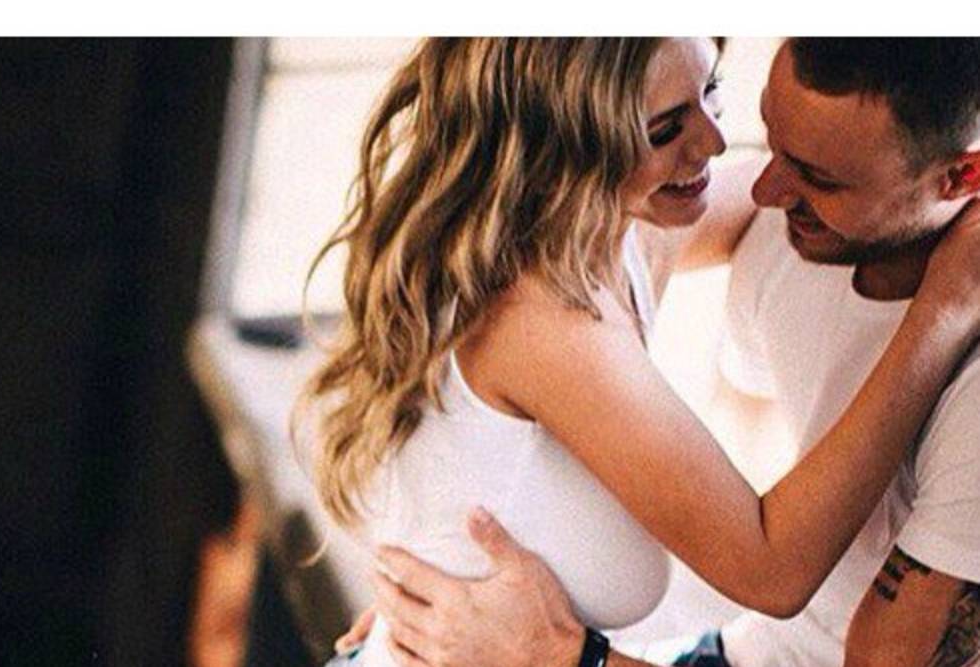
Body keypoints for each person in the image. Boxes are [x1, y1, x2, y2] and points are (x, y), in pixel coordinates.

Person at [298, 38, 980, 666]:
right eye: (665, 129)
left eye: (711, 92)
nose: (714, 143)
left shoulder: (615, 231)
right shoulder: (543, 317)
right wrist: (945, 309)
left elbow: (827, 184)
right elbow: (773, 569)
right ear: (571, 144)